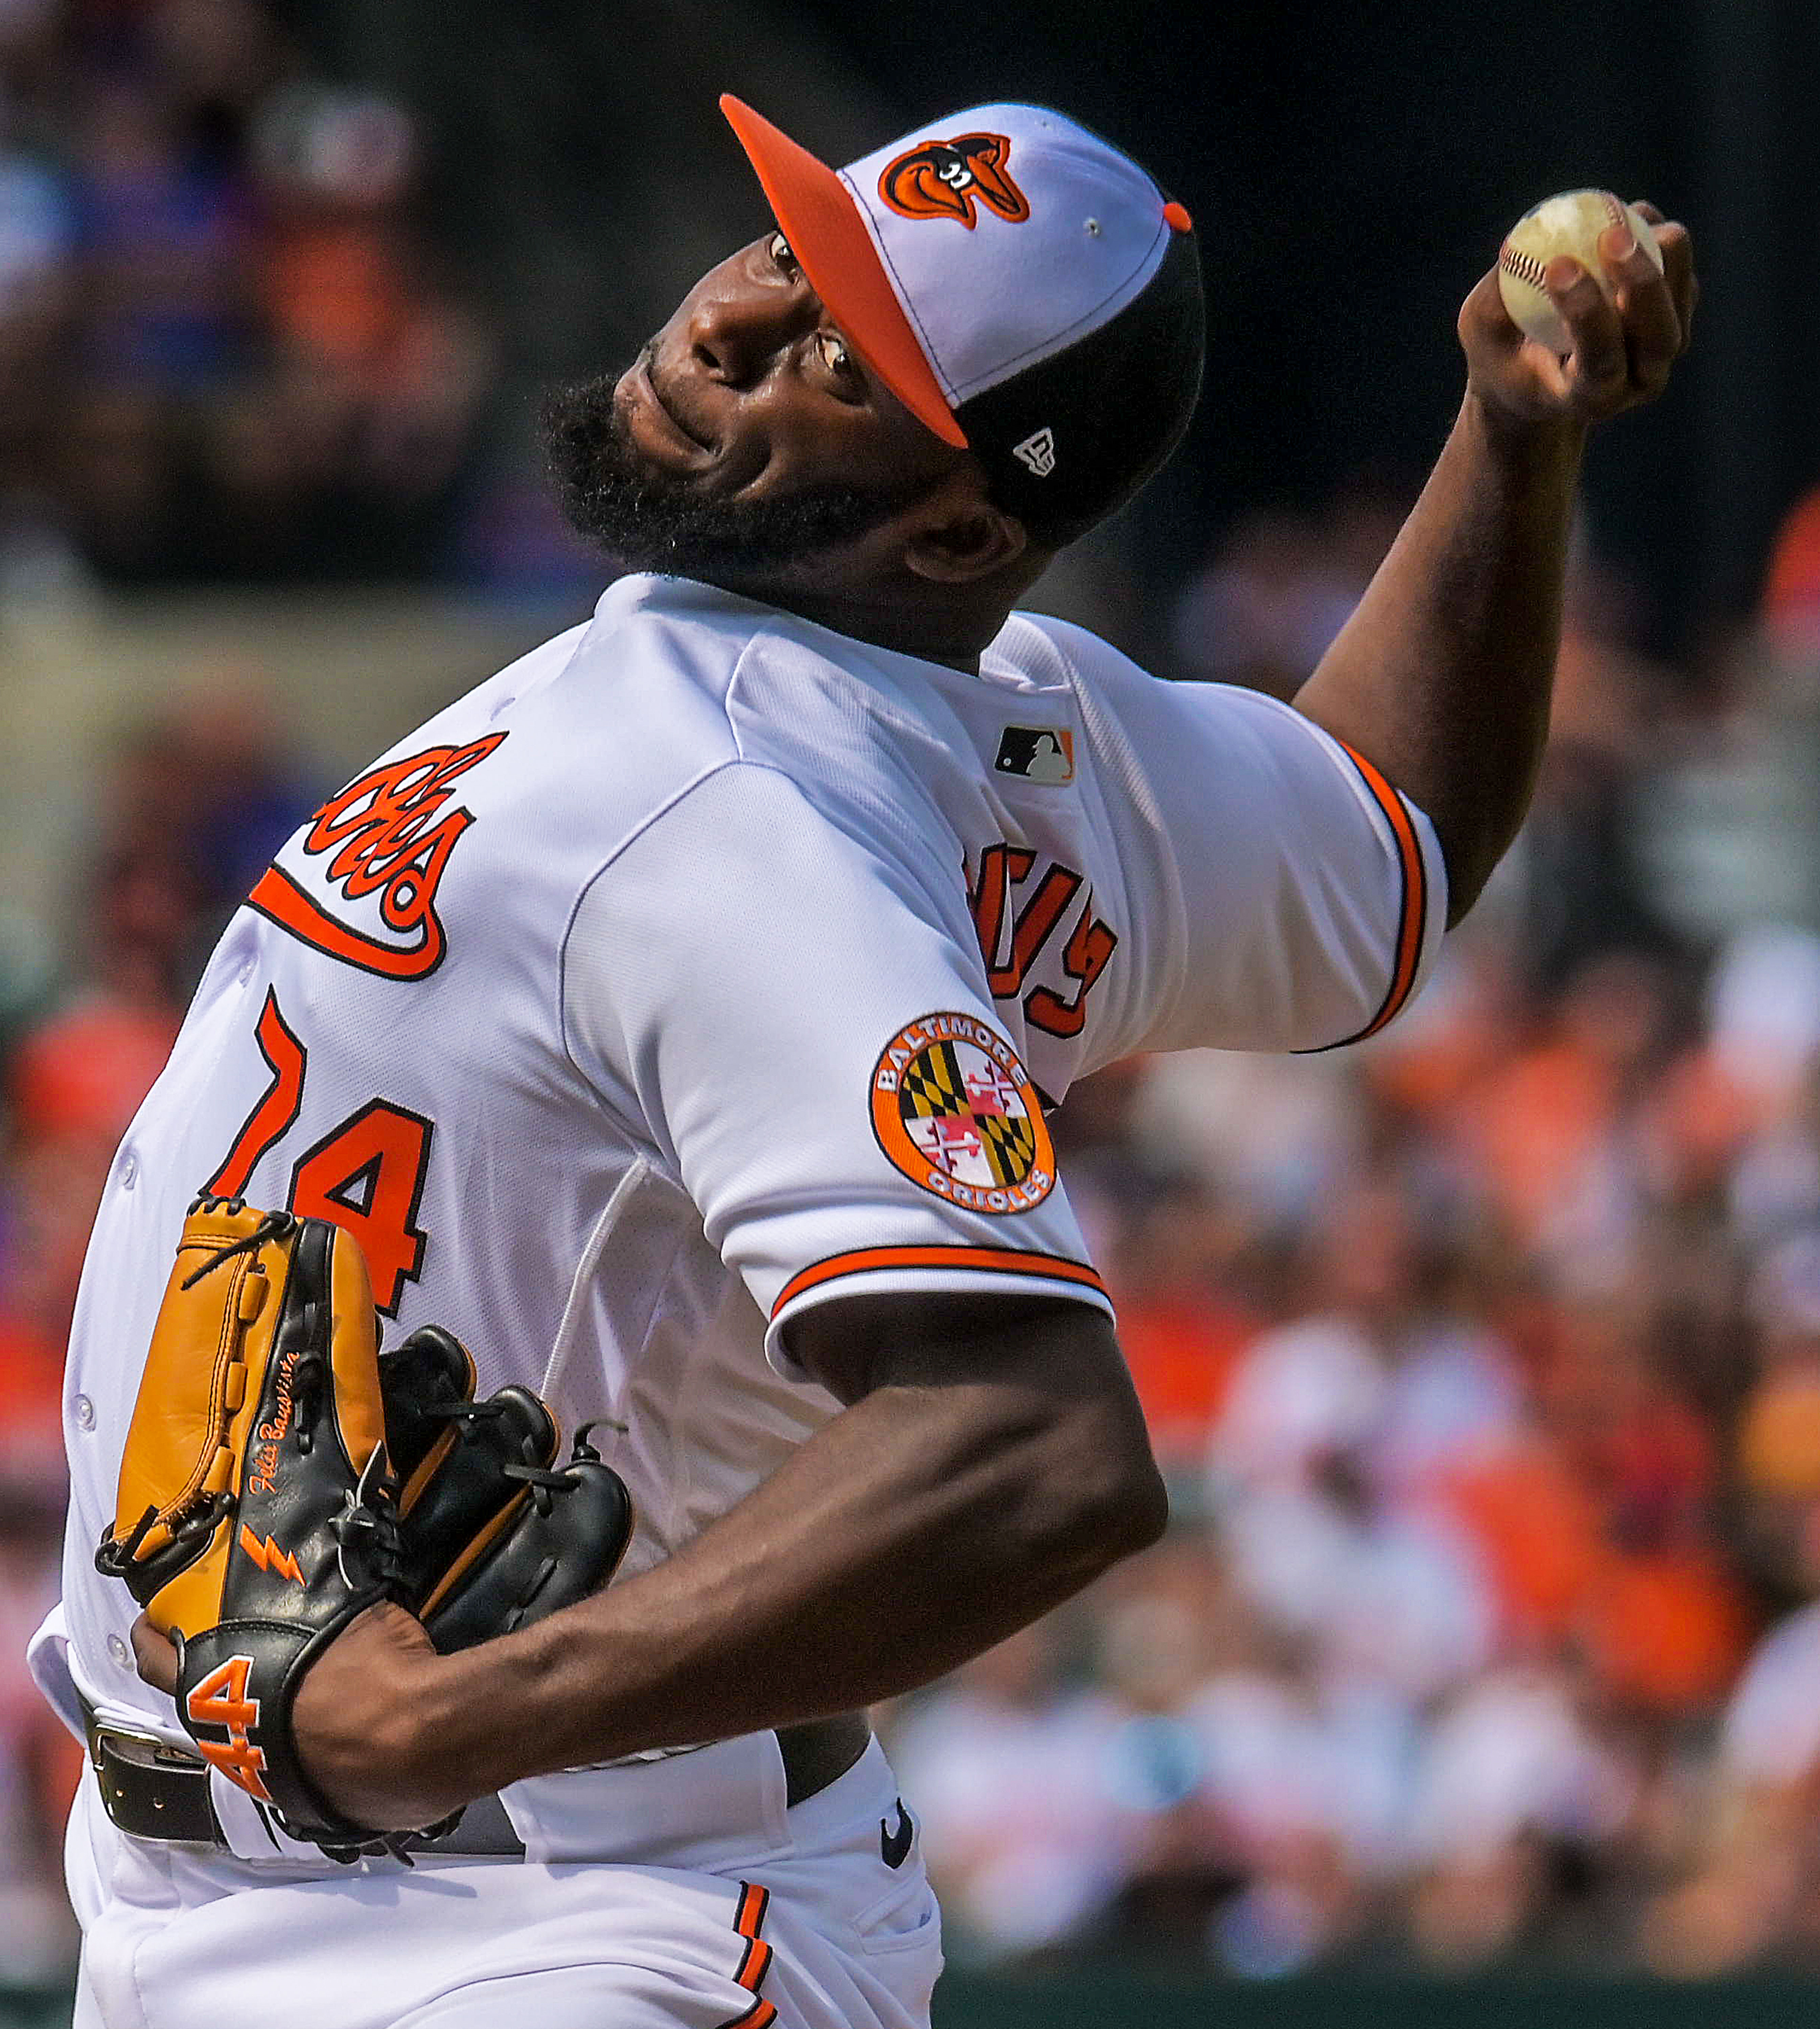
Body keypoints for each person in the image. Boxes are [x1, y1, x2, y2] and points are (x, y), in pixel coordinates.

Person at [31, 93, 1694, 2029]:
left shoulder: (731, 810)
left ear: (963, 525)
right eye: (791, 246)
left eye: (841, 351)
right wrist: (1509, 435)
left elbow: (1034, 1447)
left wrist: (455, 1721)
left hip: (557, 1918)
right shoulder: (1025, 742)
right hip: (248, 1894)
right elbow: (1380, 834)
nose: (735, 317)